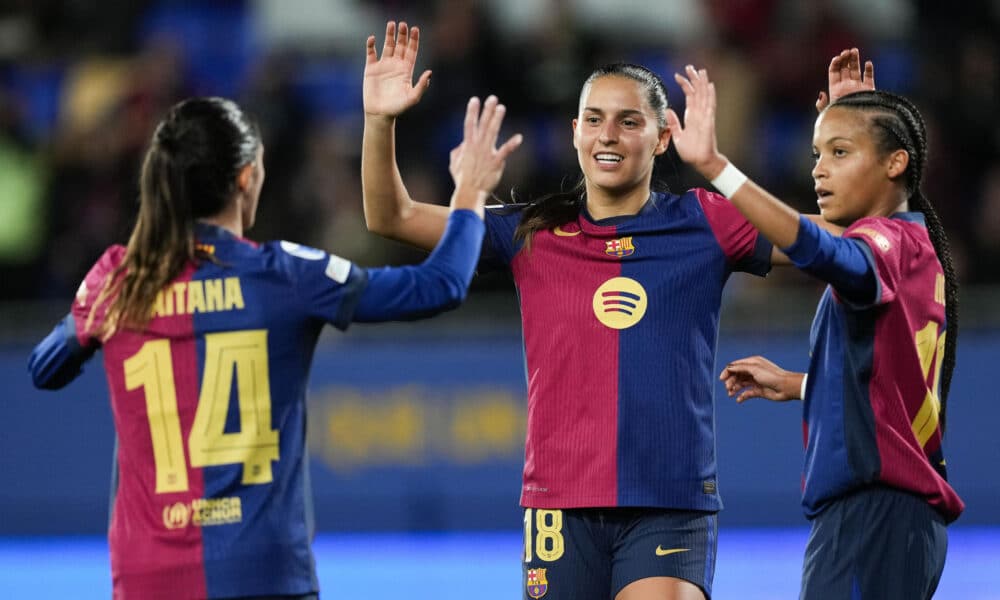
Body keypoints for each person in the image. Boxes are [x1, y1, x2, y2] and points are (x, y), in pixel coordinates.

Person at [361, 21, 874, 600]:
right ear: (575, 132)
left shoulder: (707, 220)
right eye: (595, 119)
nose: (609, 134)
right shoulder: (532, 230)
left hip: (670, 499)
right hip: (559, 503)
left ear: (661, 138)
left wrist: (854, 137)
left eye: (630, 121)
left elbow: (841, 241)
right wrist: (380, 122)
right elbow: (391, 217)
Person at [28, 93, 521, 599]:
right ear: (246, 178)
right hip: (264, 573)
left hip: (147, 577)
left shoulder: (118, 278)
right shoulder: (284, 274)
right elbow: (440, 286)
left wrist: (87, 309)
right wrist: (469, 195)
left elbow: (45, 369)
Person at [668, 64, 964, 599]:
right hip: (893, 520)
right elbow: (893, 381)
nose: (819, 171)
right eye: (818, 154)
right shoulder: (914, 248)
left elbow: (816, 249)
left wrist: (718, 168)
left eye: (840, 153)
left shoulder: (880, 246)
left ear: (896, 162)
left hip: (872, 518)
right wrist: (803, 384)